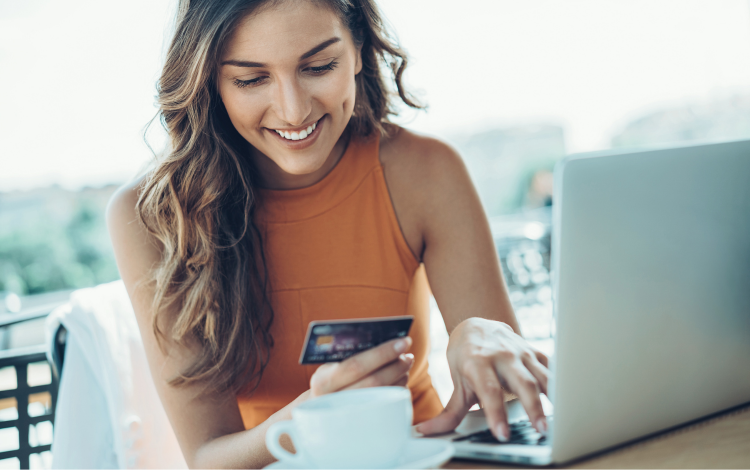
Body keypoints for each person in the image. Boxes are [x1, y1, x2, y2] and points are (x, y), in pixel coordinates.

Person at [107, 0, 550, 467]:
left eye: (319, 67)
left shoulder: (425, 172)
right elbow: (207, 457)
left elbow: (509, 401)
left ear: (357, 50)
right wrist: (313, 420)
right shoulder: (153, 216)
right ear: (211, 82)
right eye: (251, 79)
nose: (293, 110)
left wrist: (480, 334)